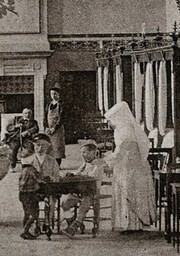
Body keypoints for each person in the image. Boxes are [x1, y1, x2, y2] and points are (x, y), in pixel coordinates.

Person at [104, 101, 156, 233]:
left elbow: (122, 149)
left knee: (129, 191)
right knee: (125, 191)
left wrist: (107, 160)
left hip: (131, 164)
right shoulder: (122, 128)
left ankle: (131, 224)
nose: (109, 123)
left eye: (111, 119)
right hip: (126, 164)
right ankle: (127, 223)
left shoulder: (126, 129)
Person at [61, 141, 105, 236]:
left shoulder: (98, 163)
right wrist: (72, 174)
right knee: (65, 203)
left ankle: (74, 227)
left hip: (91, 191)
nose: (82, 154)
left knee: (84, 205)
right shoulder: (85, 163)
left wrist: (81, 173)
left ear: (93, 152)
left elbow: (93, 175)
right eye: (82, 152)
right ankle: (71, 221)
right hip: (80, 190)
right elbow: (78, 172)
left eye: (85, 152)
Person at [17, 140, 42, 240]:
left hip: (22, 194)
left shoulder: (23, 170)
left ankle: (26, 230)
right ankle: (25, 231)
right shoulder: (32, 170)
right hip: (30, 194)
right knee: (34, 214)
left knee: (26, 213)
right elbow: (40, 179)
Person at [43, 85, 65, 165]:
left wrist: (54, 128)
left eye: (55, 94)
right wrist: (46, 127)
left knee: (57, 148)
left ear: (58, 94)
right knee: (49, 148)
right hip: (49, 129)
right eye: (52, 94)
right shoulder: (48, 105)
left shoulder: (61, 105)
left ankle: (57, 166)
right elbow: (45, 116)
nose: (53, 96)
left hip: (57, 130)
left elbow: (61, 118)